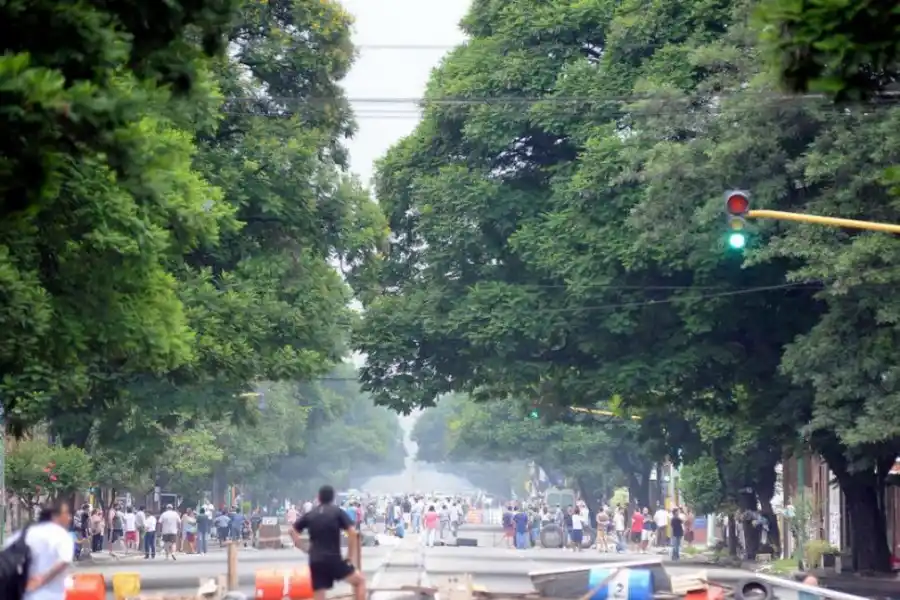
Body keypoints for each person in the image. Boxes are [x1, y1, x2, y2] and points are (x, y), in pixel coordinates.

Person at [290, 485, 366, 600]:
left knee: (319, 595)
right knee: (360, 581)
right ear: (333, 497)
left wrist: (301, 546)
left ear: (318, 497)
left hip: (315, 560)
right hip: (333, 559)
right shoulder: (337, 512)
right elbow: (353, 533)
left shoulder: (311, 514)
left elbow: (292, 530)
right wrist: (349, 555)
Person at [4, 499, 74, 600]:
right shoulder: (61, 534)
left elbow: (7, 551)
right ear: (55, 515)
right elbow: (64, 560)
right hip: (51, 596)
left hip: (25, 595)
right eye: (67, 513)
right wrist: (42, 579)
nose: (69, 517)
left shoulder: (25, 533)